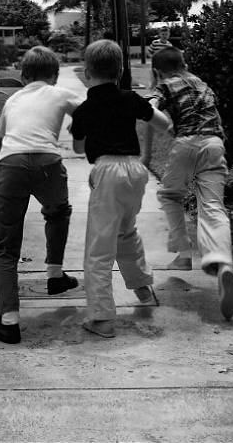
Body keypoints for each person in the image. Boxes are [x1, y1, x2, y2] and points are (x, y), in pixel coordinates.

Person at [0, 46, 83, 344]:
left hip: (11, 165)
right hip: (48, 163)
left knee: (3, 245)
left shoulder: (13, 99)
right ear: (54, 75)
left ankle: (8, 320)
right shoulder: (59, 93)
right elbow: (89, 111)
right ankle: (54, 273)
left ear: (23, 76)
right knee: (57, 211)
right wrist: (78, 129)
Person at [70, 39, 172, 339]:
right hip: (135, 171)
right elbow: (164, 124)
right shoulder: (131, 99)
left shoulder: (85, 109)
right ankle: (142, 287)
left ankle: (101, 317)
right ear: (121, 70)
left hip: (107, 170)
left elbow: (78, 149)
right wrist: (149, 103)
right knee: (126, 231)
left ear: (87, 72)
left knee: (99, 247)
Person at [147, 46, 233, 320]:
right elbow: (215, 116)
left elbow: (148, 109)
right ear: (184, 62)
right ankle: (222, 263)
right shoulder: (201, 82)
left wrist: (166, 128)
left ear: (157, 70)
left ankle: (184, 253)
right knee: (213, 206)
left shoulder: (163, 84)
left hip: (186, 143)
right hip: (214, 144)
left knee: (170, 196)